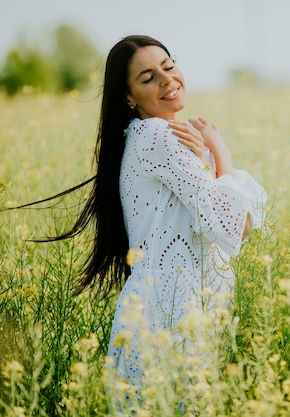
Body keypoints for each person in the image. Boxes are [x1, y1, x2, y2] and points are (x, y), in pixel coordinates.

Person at [26, 35, 266, 389]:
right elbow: (234, 227)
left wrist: (206, 159)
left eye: (168, 67)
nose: (167, 80)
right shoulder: (158, 137)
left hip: (171, 308)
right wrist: (221, 150)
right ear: (128, 97)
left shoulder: (155, 137)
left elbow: (229, 222)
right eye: (148, 77)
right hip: (176, 313)